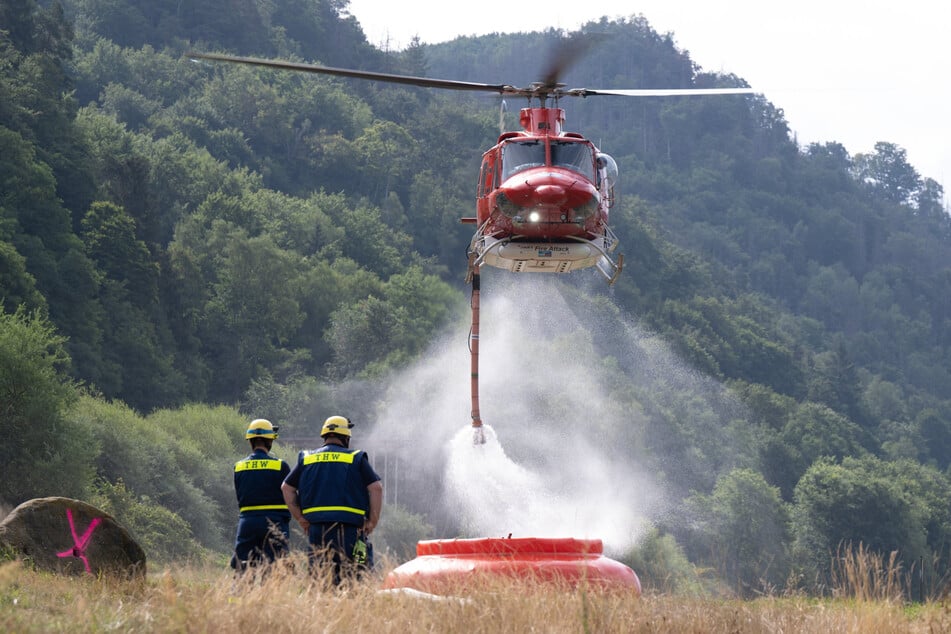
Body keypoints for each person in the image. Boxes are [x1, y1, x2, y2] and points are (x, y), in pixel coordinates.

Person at [281, 415, 382, 585]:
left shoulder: (307, 458)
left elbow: (287, 488)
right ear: (346, 437)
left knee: (320, 579)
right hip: (350, 530)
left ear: (325, 436)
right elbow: (376, 488)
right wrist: (372, 521)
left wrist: (301, 519)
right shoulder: (356, 457)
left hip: (317, 530)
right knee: (355, 578)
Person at [231, 418, 291, 573]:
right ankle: (270, 597)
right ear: (270, 441)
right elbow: (290, 492)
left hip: (247, 522)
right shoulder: (280, 466)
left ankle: (237, 597)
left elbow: (240, 495)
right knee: (275, 568)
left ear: (250, 441)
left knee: (242, 567)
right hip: (274, 522)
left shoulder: (239, 467)